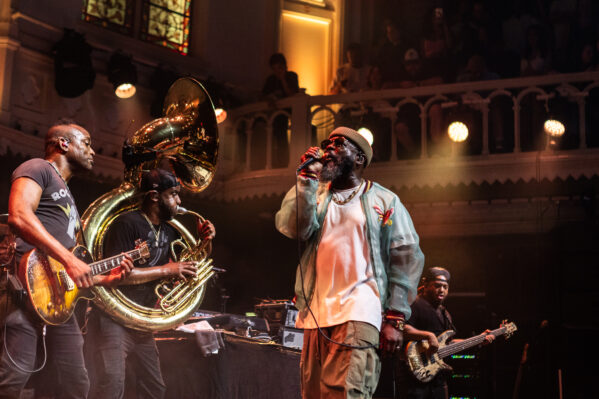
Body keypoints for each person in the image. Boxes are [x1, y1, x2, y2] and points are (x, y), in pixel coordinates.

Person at [275, 126, 425, 398]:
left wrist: (395, 318)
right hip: (316, 314)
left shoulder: (385, 200)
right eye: (326, 143)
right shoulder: (316, 191)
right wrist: (306, 179)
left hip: (360, 310)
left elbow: (406, 257)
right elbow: (294, 228)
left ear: (359, 159)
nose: (328, 148)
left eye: (338, 144)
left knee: (345, 393)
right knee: (313, 394)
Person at [0, 118, 134, 398]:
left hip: (57, 301)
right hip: (25, 290)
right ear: (63, 143)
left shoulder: (67, 196)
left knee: (76, 383)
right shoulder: (37, 168)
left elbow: (66, 268)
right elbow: (19, 215)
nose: (93, 151)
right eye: (86, 143)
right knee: (13, 379)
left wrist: (103, 279)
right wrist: (69, 259)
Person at [86, 168, 215, 399]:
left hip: (141, 324)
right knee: (111, 386)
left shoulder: (169, 230)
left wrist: (206, 242)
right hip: (113, 321)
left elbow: (195, 263)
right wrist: (167, 269)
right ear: (155, 197)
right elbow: (117, 275)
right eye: (173, 194)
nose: (179, 200)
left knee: (155, 389)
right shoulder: (126, 223)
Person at [396, 267, 495, 399]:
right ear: (425, 285)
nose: (442, 290)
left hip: (438, 379)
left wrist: (478, 340)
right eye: (437, 286)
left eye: (445, 286)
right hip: (413, 376)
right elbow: (401, 327)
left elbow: (448, 343)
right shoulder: (414, 304)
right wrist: (429, 336)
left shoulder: (445, 313)